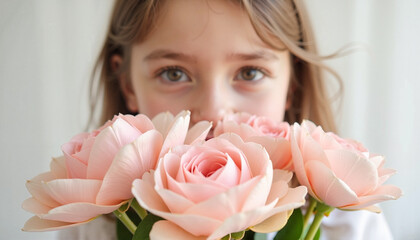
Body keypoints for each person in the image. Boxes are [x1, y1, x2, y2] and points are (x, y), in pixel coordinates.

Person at [59, 0, 393, 239]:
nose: (215, 110)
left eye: (250, 72)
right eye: (173, 73)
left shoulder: (350, 228)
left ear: (292, 85)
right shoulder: (89, 231)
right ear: (128, 85)